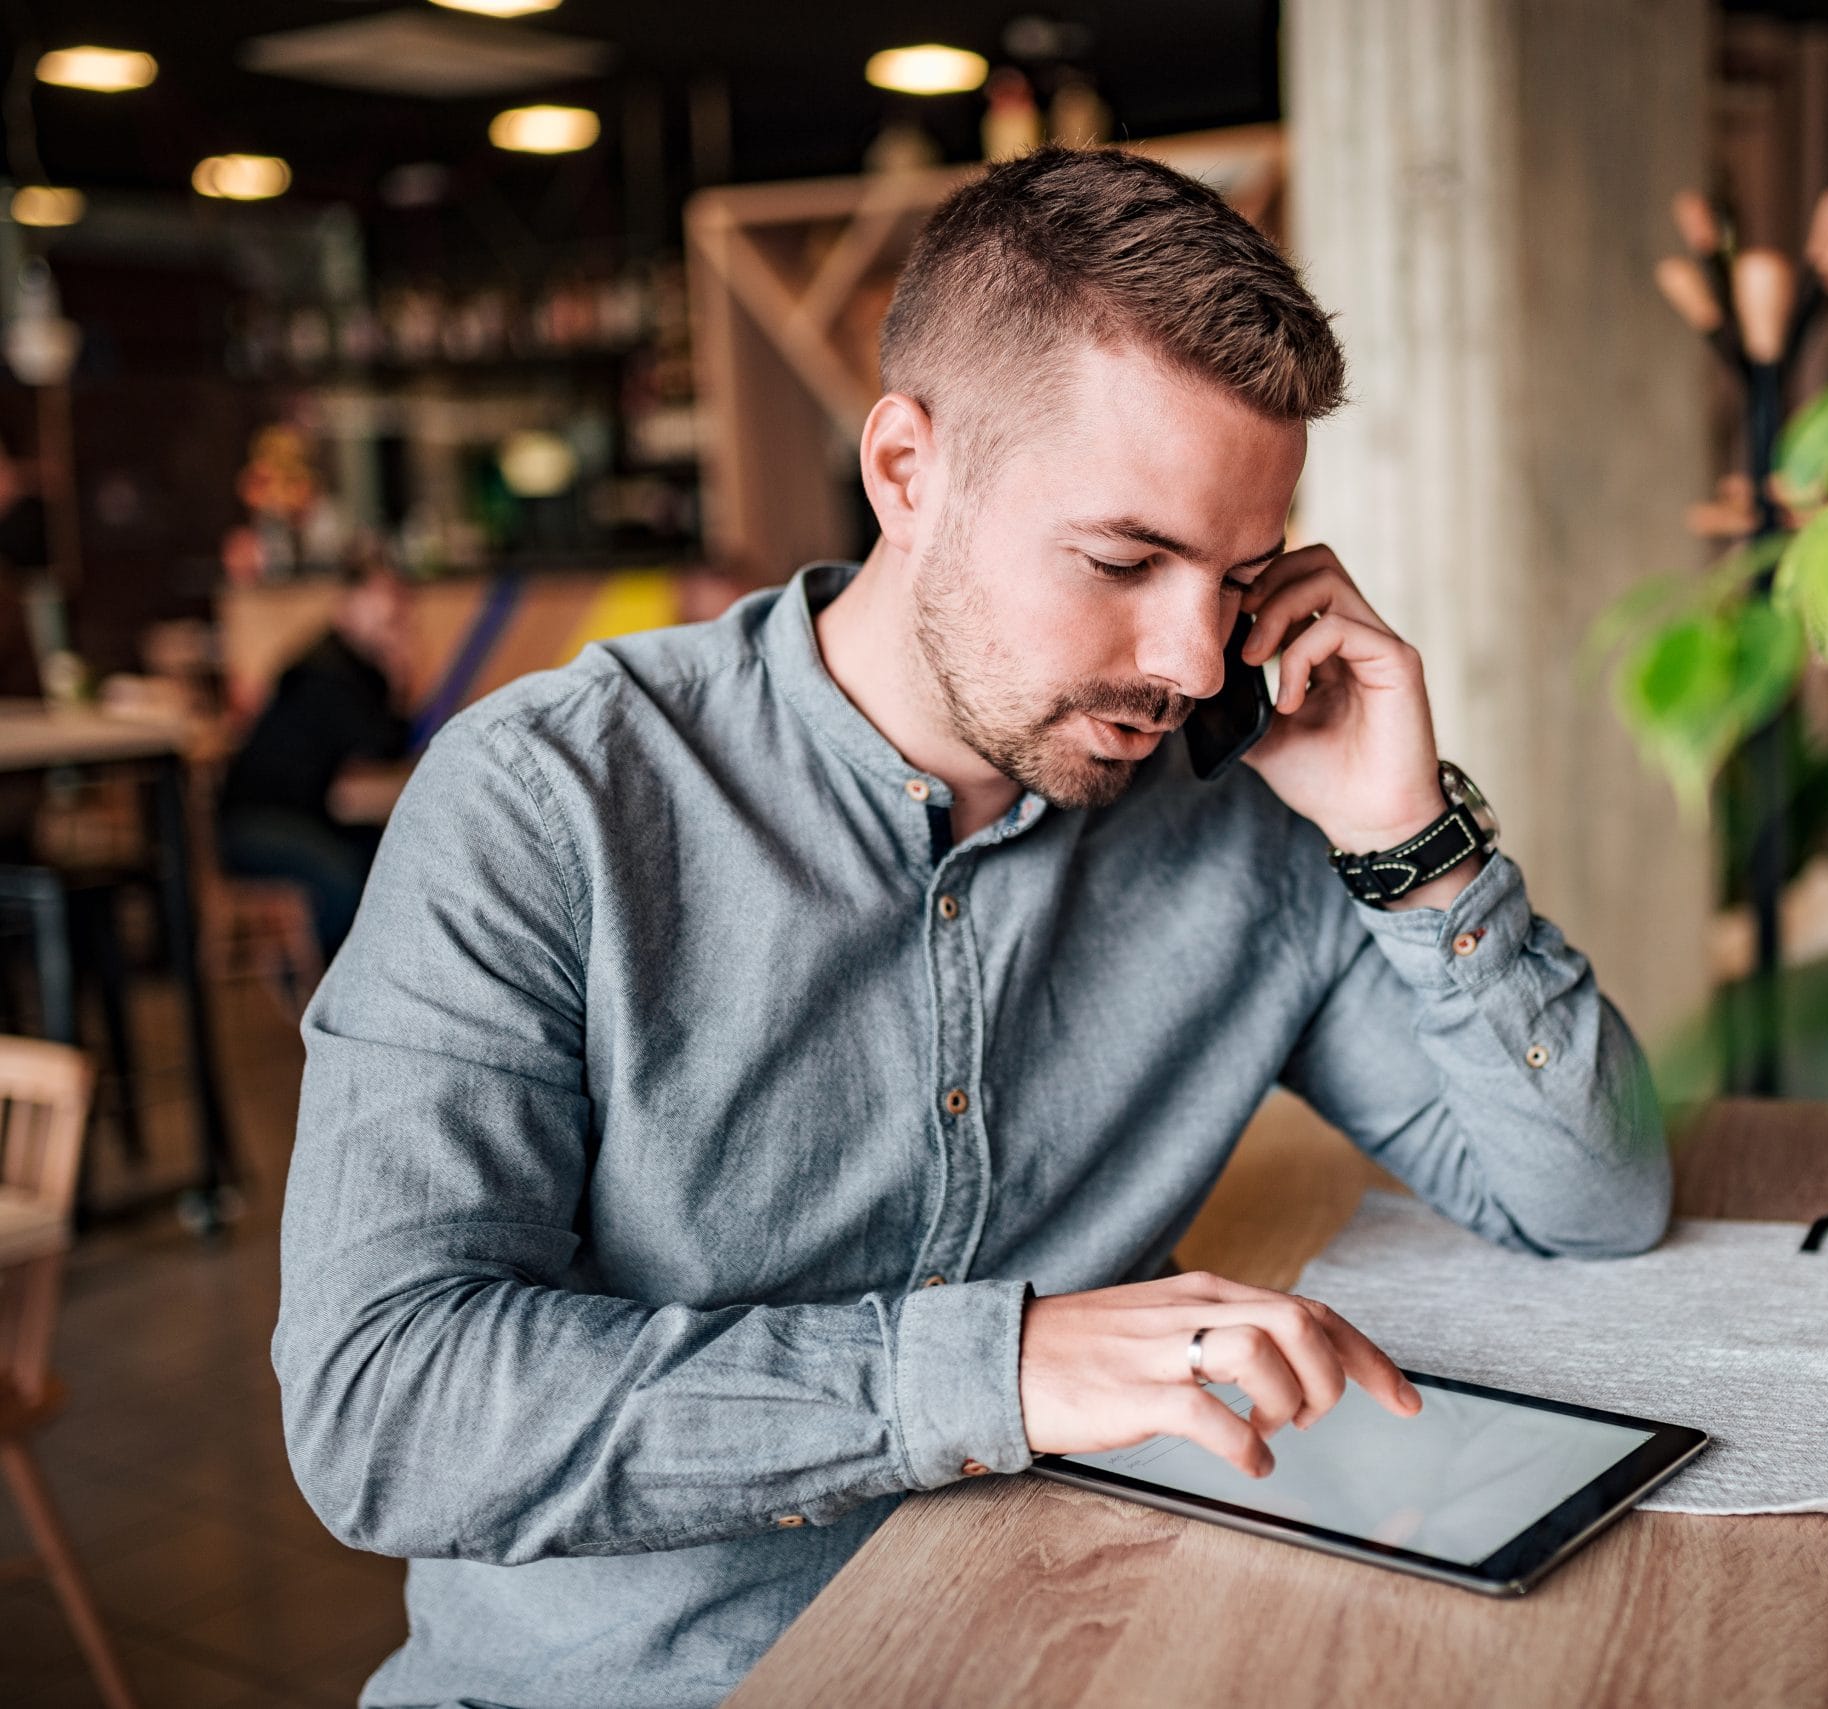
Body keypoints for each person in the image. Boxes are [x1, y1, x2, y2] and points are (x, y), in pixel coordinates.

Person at [273, 148, 1669, 1708]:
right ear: (905, 471)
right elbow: (383, 1409)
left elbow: (1593, 1198)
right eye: (1125, 560)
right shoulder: (547, 804)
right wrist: (997, 1369)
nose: (1196, 663)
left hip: (1083, 1646)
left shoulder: (1237, 819)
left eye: (1237, 576)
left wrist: (1410, 843)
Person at [216, 565, 413, 956]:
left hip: (299, 815)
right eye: (380, 602)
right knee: (345, 882)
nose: (394, 614)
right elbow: (384, 743)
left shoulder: (350, 667)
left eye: (398, 603)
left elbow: (391, 741)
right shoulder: (327, 671)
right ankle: (337, 995)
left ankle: (381, 980)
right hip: (254, 825)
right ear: (346, 608)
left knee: (398, 854)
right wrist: (399, 667)